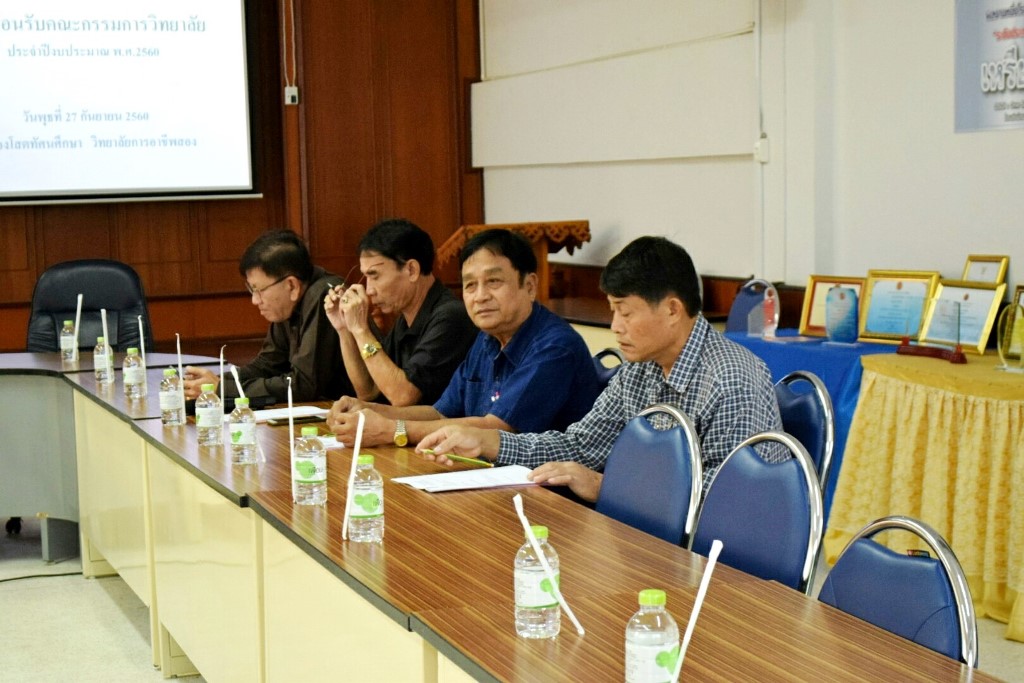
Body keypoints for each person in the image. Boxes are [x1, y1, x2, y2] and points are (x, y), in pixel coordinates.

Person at [416, 235, 786, 502]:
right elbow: (580, 445)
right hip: (646, 538)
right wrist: (489, 443)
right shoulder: (639, 370)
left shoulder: (732, 377)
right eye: (612, 311)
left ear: (672, 310)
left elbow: (729, 497)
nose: (615, 327)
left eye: (625, 312)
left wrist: (605, 487)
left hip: (720, 563)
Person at [326, 228, 601, 447]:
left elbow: (496, 428)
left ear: (529, 286)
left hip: (545, 489)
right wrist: (369, 410)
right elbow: (440, 412)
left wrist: (392, 430)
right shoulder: (487, 338)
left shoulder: (554, 346)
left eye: (493, 282)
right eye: (470, 285)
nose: (480, 296)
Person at [183, 229, 352, 403]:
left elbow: (303, 385)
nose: (255, 300)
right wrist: (213, 383)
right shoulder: (287, 304)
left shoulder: (327, 297)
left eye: (259, 290)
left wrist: (223, 389)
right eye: (251, 290)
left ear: (291, 285)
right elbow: (267, 365)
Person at [323, 218, 477, 408]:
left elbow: (403, 396)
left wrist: (361, 330)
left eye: (375, 276)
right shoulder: (405, 318)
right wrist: (345, 329)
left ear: (411, 270)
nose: (369, 290)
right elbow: (368, 391)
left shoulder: (451, 316)